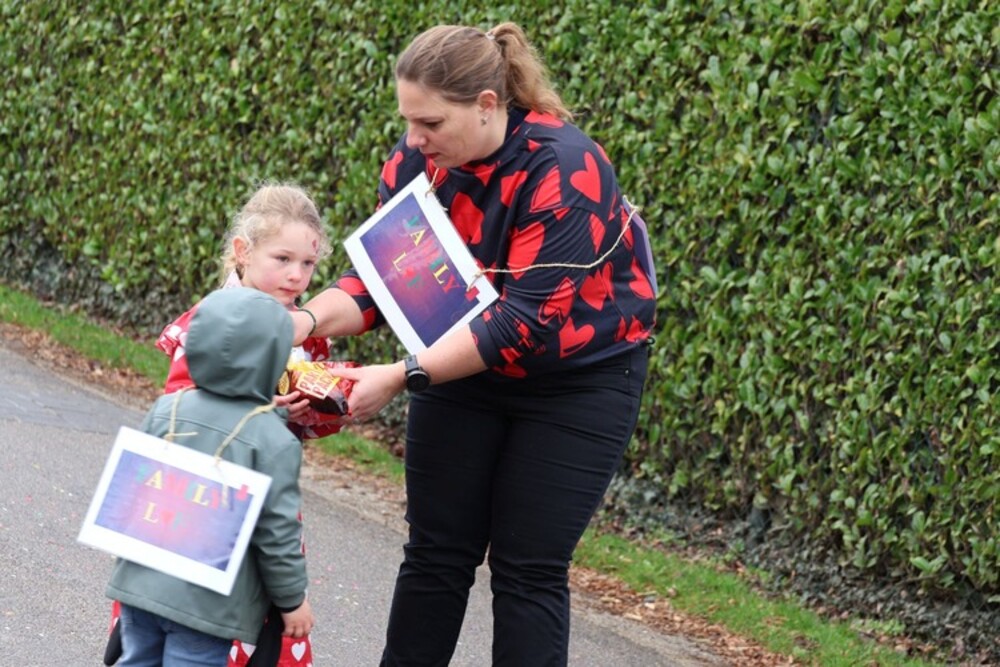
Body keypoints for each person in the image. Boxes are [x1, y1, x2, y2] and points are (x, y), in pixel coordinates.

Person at [293, 22, 658, 666]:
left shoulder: (566, 168)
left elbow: (522, 324)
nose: (413, 139)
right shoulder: (417, 162)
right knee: (436, 552)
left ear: (487, 104)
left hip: (578, 381)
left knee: (528, 568)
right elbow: (382, 281)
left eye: (430, 122)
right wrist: (301, 322)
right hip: (457, 363)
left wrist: (400, 375)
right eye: (408, 121)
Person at [106, 183, 335, 667]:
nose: (296, 275)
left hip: (262, 493)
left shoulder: (303, 330)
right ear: (243, 252)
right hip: (194, 504)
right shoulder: (213, 322)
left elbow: (302, 424)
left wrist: (318, 406)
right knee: (191, 631)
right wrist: (264, 412)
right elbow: (183, 403)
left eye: (308, 264)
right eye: (282, 259)